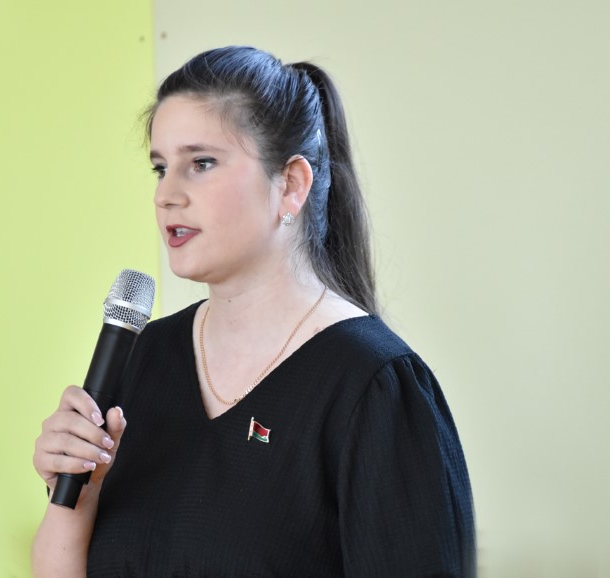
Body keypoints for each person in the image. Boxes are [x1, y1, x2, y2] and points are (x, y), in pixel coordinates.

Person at [32, 45, 475, 577]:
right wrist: (77, 496)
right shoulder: (146, 356)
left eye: (201, 163)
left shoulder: (373, 385)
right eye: (160, 168)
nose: (166, 194)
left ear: (290, 185)